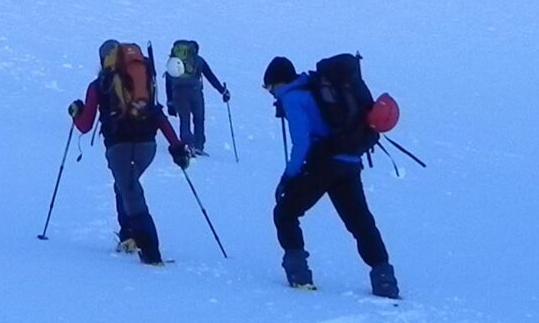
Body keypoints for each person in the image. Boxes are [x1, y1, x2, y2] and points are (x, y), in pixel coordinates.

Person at [263, 55, 400, 299]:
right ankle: (384, 278)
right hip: (349, 160)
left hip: (323, 163)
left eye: (270, 88)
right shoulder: (315, 88)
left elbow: (301, 143)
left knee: (285, 212)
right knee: (360, 222)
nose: (272, 94)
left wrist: (288, 178)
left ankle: (299, 275)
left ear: (279, 83)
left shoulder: (294, 98)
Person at [69, 40, 192, 265]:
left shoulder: (99, 84)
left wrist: (76, 113)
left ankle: (150, 252)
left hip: (119, 148)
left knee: (131, 192)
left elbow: (85, 125)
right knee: (125, 185)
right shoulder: (143, 80)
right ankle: (128, 236)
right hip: (148, 146)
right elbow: (157, 114)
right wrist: (176, 147)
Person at [163, 41, 230, 157]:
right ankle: (198, 146)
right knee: (199, 119)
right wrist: (222, 91)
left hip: (178, 93)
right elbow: (210, 77)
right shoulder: (199, 61)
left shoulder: (173, 62)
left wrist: (170, 102)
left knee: (184, 119)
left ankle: (187, 146)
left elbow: (168, 81)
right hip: (195, 92)